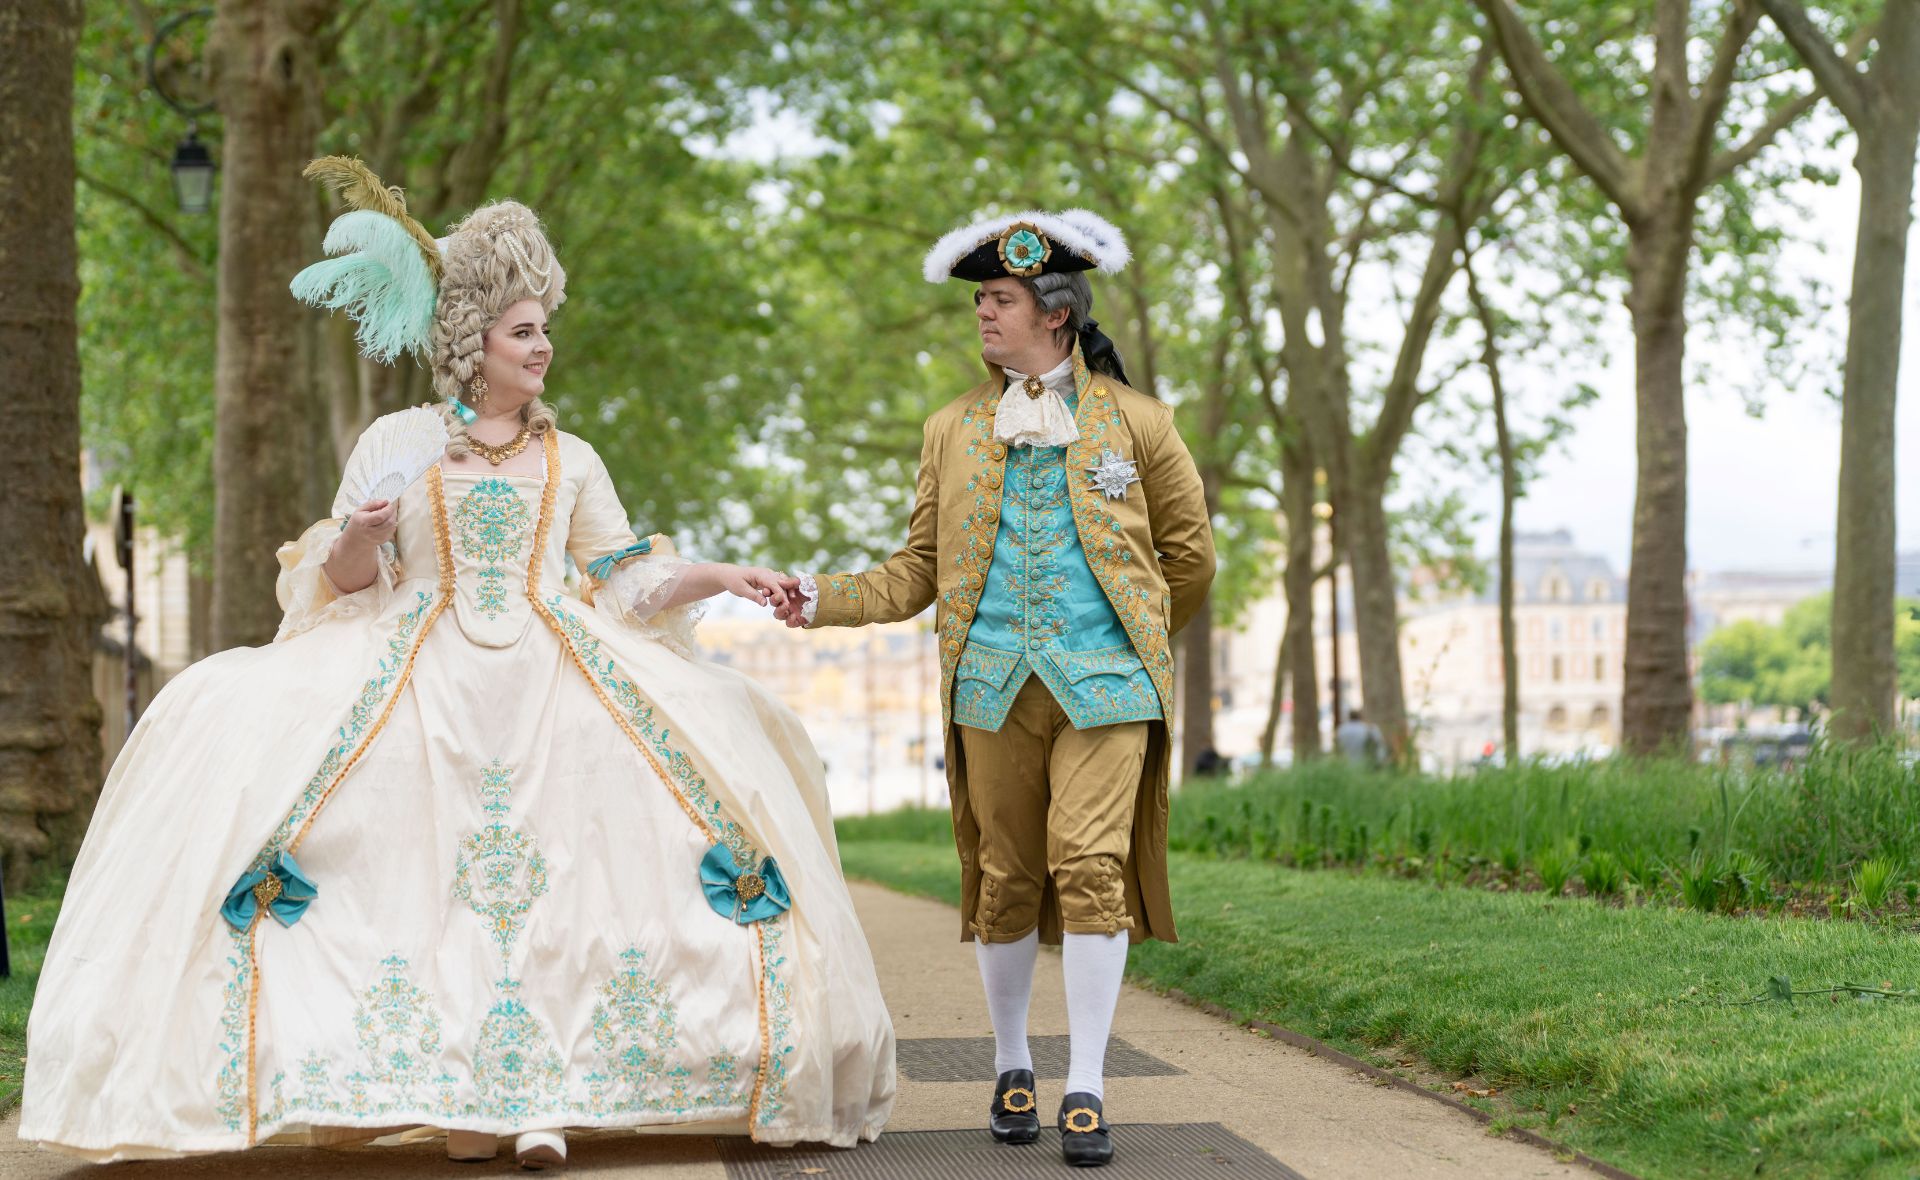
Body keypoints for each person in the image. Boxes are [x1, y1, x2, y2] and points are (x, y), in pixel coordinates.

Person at [20, 159, 894, 1167]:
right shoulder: (397, 438)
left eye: (544, 329)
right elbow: (342, 582)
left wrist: (727, 574)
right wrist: (361, 534)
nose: (543, 346)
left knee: (574, 870)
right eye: (524, 330)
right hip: (417, 674)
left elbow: (622, 584)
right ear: (472, 343)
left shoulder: (575, 457)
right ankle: (447, 1089)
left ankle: (541, 1095)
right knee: (400, 864)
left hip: (555, 676)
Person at [774, 209, 1215, 1168]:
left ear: (1054, 315)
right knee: (1007, 880)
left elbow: (1189, 560)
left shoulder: (1142, 424)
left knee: (1090, 866)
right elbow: (913, 572)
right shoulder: (952, 430)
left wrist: (1131, 642)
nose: (982, 312)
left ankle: (1087, 1084)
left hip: (1108, 689)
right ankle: (1013, 1066)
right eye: (980, 296)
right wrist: (813, 598)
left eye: (999, 299)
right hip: (989, 688)